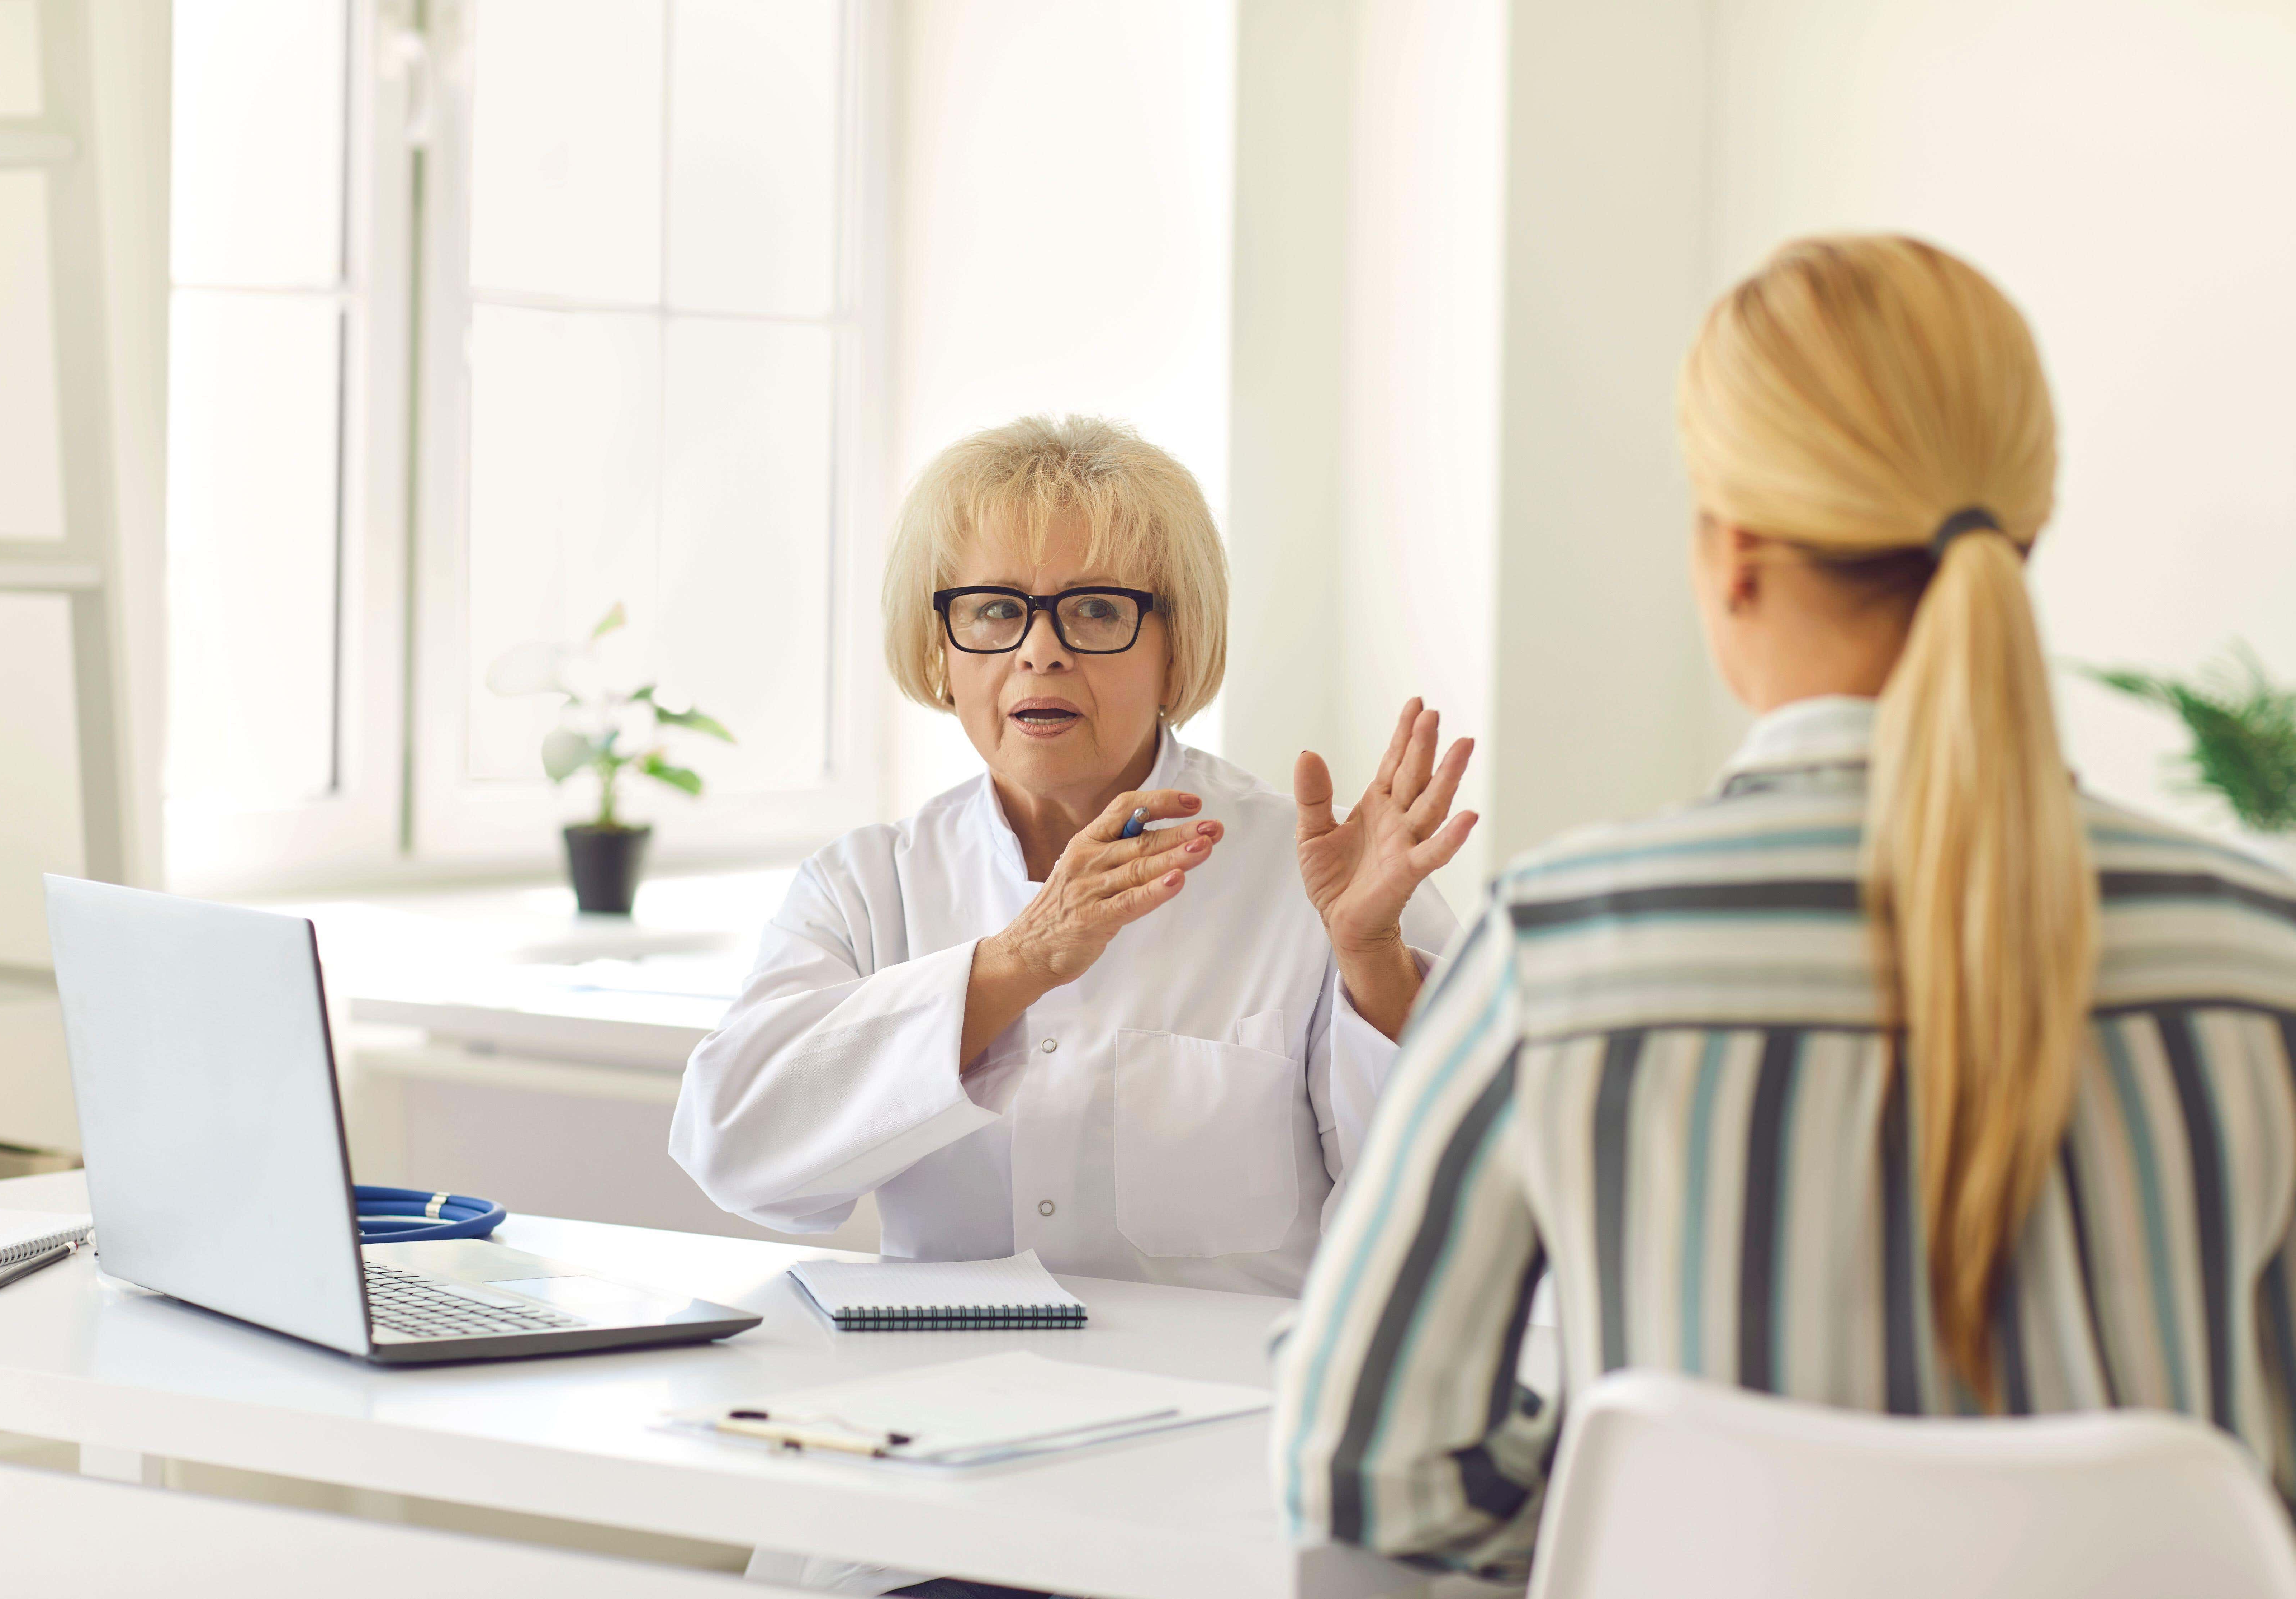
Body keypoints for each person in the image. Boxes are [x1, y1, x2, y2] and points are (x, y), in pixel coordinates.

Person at [1272, 234, 2296, 1588]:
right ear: (2024, 534)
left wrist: (1643, 1536)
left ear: (1735, 554)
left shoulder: (1560, 950)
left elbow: (1364, 1470)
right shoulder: (2262, 955)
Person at [672, 414, 1472, 1598]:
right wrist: (1016, 964)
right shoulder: (870, 881)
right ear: (939, 647)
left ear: (1172, 647)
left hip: (1224, 1488)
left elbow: (1443, 1222)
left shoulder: (1317, 872)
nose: (1039, 654)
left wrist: (1372, 968)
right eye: (994, 610)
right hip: (928, 1496)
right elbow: (739, 1147)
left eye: (1095, 610)